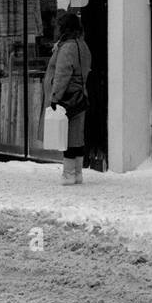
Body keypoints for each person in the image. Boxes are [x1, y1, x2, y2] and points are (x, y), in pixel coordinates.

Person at [44, 10, 93, 185]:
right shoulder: (82, 45)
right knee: (76, 137)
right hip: (80, 97)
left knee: (67, 138)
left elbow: (62, 74)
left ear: (64, 28)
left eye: (58, 26)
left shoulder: (67, 48)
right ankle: (77, 173)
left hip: (67, 99)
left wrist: (55, 97)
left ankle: (68, 174)